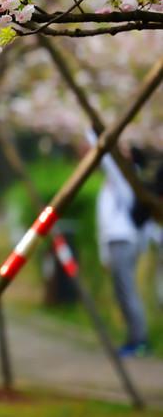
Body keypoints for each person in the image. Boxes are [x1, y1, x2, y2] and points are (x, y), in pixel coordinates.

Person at [88, 130, 150, 357]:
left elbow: (109, 161)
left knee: (128, 291)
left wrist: (94, 134)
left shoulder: (126, 178)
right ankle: (135, 338)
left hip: (123, 240)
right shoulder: (116, 182)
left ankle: (140, 340)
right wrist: (104, 254)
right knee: (123, 293)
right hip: (116, 241)